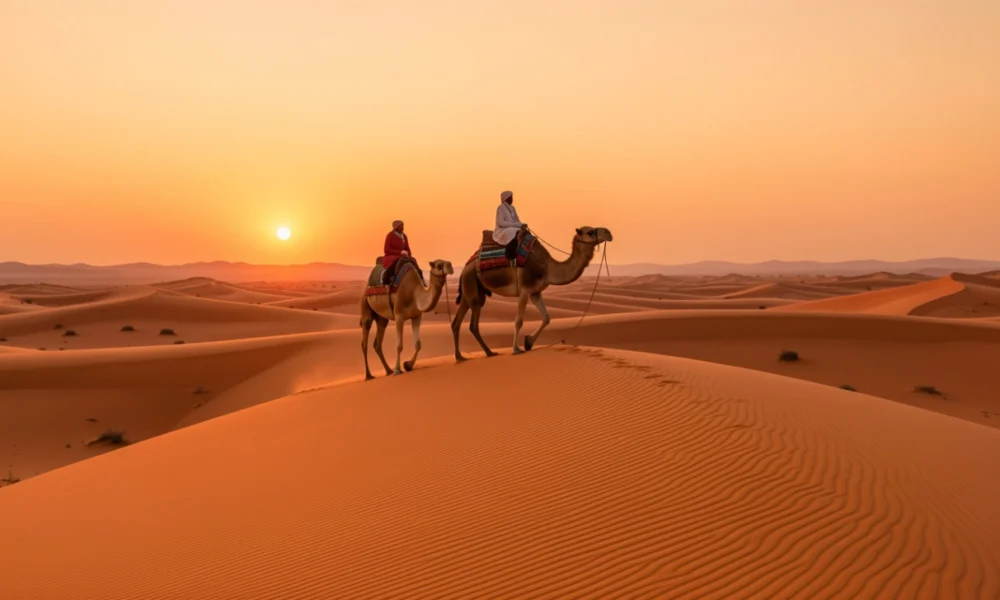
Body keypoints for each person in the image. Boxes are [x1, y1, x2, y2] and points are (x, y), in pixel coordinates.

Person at [493, 190, 528, 261]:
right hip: (502, 231)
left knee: (524, 232)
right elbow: (500, 223)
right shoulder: (500, 208)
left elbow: (517, 219)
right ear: (507, 198)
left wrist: (521, 225)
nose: (512, 199)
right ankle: (510, 255)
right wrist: (514, 225)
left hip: (512, 228)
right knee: (513, 232)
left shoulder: (512, 208)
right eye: (510, 197)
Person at [382, 220, 413, 284]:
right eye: (401, 226)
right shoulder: (390, 236)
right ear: (397, 227)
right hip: (391, 257)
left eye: (403, 226)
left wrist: (408, 254)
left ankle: (420, 279)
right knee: (397, 261)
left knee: (413, 260)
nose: (402, 227)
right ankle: (387, 279)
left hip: (403, 256)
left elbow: (407, 248)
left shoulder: (404, 236)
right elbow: (387, 250)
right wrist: (400, 253)